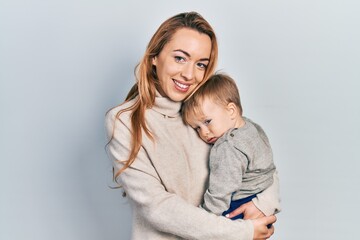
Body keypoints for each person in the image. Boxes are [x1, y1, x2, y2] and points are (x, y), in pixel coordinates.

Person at [105, 11, 280, 240]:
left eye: (200, 64)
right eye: (180, 58)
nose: (189, 74)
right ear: (154, 57)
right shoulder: (124, 121)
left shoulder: (204, 110)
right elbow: (157, 208)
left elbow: (259, 161)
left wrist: (263, 204)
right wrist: (243, 232)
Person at [182, 73, 279, 223]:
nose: (204, 132)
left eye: (207, 121)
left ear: (231, 111)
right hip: (261, 197)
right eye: (197, 128)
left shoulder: (228, 146)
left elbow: (221, 192)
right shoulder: (252, 127)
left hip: (238, 207)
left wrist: (203, 218)